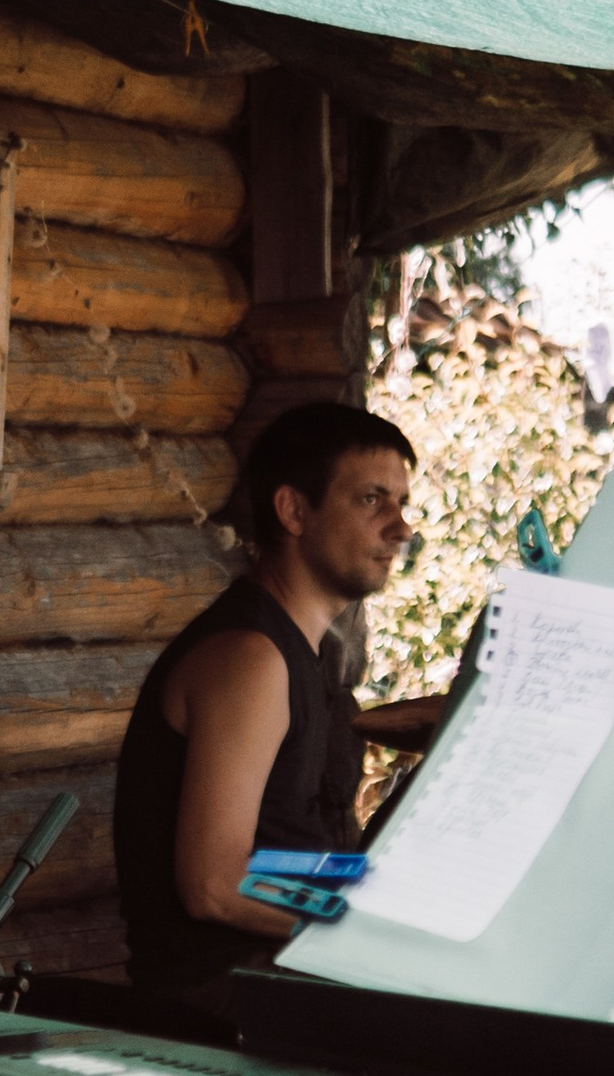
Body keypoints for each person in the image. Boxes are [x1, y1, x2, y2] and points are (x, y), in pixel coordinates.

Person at [114, 400, 417, 1020]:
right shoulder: (251, 658)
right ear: (293, 510)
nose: (401, 528)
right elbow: (214, 886)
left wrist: (368, 888)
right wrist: (359, 931)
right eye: (371, 500)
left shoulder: (301, 655)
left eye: (402, 505)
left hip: (281, 993)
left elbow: (272, 856)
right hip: (225, 1014)